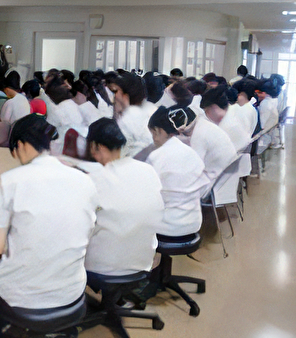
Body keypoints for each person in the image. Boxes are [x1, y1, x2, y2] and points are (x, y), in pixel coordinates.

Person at [0, 114, 98, 337]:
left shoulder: (9, 180)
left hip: (22, 296)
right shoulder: (85, 180)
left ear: (22, 144)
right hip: (71, 292)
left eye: (14, 151)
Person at [85, 118, 164, 286]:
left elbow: (80, 230)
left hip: (102, 266)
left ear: (95, 146)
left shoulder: (94, 180)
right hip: (143, 260)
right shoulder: (148, 171)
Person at [146, 106, 209, 236]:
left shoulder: (155, 157)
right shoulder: (191, 153)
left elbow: (147, 195)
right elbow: (204, 188)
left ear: (158, 131)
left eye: (152, 133)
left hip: (168, 226)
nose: (153, 138)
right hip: (194, 222)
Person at [108, 73, 154, 158]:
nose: (114, 96)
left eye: (116, 91)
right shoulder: (150, 107)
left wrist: (118, 113)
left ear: (126, 95)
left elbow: (115, 152)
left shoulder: (128, 117)